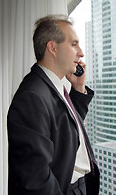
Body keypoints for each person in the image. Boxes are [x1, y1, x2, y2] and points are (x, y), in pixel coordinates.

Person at [7, 14, 100, 195]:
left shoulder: (53, 86)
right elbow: (36, 179)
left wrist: (78, 87)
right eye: (74, 44)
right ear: (53, 48)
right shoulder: (31, 96)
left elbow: (65, 131)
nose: (81, 52)